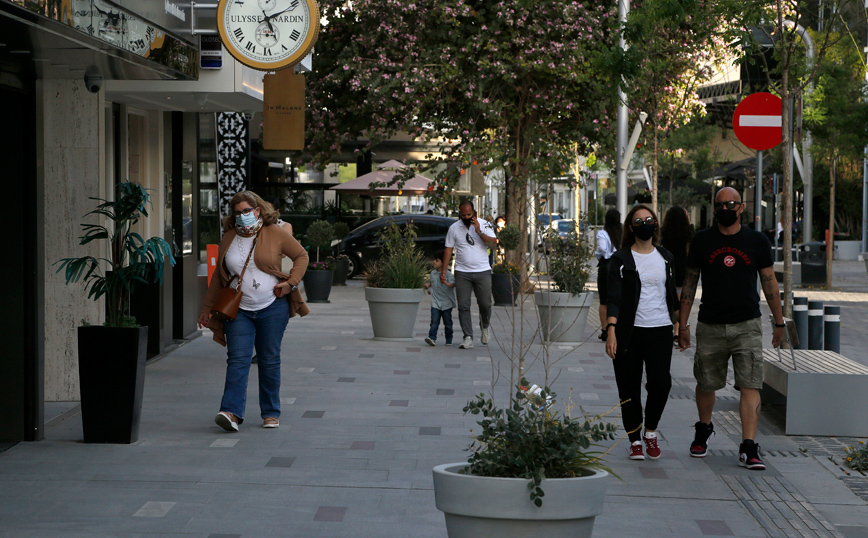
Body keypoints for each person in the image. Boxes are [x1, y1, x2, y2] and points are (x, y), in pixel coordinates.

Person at [678, 187, 785, 471]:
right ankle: (703, 429)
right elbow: (690, 283)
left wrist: (779, 321)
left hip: (747, 325)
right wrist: (683, 324)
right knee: (706, 382)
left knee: (750, 383)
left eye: (732, 203)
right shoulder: (701, 241)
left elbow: (769, 282)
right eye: (721, 204)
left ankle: (748, 446)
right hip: (710, 324)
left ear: (741, 208)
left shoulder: (757, 241)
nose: (726, 208)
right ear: (715, 208)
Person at [198, 191, 309, 432]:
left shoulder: (275, 233)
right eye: (237, 212)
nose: (242, 216)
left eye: (247, 211)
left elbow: (301, 255)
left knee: (269, 360)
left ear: (257, 210)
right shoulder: (229, 237)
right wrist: (207, 309)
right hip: (239, 310)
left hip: (272, 307)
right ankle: (231, 412)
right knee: (237, 359)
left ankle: (270, 413)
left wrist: (290, 284)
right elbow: (219, 277)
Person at [606, 205, 679, 460]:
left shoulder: (666, 257)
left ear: (656, 224)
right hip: (629, 332)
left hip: (660, 330)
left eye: (649, 219)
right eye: (638, 221)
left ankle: (650, 431)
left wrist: (679, 322)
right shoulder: (621, 260)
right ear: (630, 227)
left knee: (661, 383)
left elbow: (671, 294)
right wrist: (611, 329)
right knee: (628, 388)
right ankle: (635, 438)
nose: (644, 223)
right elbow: (613, 297)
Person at [442, 200, 497, 349]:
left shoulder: (485, 224)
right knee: (463, 306)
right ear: (459, 213)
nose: (466, 217)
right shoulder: (454, 228)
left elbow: (493, 244)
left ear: (474, 213)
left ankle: (485, 326)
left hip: (482, 271)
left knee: (485, 304)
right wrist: (444, 271)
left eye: (469, 214)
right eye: (463, 214)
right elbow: (448, 249)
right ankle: (468, 336)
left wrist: (479, 231)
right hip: (462, 272)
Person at [660, 206, 693, 342]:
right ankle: (678, 330)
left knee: (670, 300)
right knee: (681, 303)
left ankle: (672, 328)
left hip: (668, 269)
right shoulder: (688, 233)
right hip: (684, 270)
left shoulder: (664, 232)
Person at [595, 209, 622, 341]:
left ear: (606, 220)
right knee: (619, 297)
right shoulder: (623, 233)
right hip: (620, 266)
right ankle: (617, 328)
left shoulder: (603, 233)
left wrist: (598, 255)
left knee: (604, 300)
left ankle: (605, 330)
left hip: (606, 266)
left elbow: (601, 248)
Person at [424, 251, 456, 346]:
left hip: (446, 303)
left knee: (448, 322)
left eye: (437, 260)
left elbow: (453, 284)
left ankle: (449, 338)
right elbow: (431, 282)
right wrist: (427, 285)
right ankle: (432, 337)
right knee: (434, 321)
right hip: (435, 301)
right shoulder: (433, 273)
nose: (434, 262)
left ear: (443, 262)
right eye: (434, 260)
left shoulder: (448, 274)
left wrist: (446, 283)